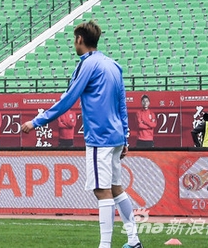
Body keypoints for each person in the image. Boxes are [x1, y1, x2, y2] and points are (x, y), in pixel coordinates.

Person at [20, 21, 142, 248]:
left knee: (101, 190)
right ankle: (134, 240)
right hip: (115, 137)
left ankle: (105, 245)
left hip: (99, 137)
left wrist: (37, 121)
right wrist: (125, 137)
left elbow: (68, 99)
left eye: (73, 40)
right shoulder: (114, 65)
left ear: (79, 40)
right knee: (116, 188)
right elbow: (122, 104)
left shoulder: (87, 65)